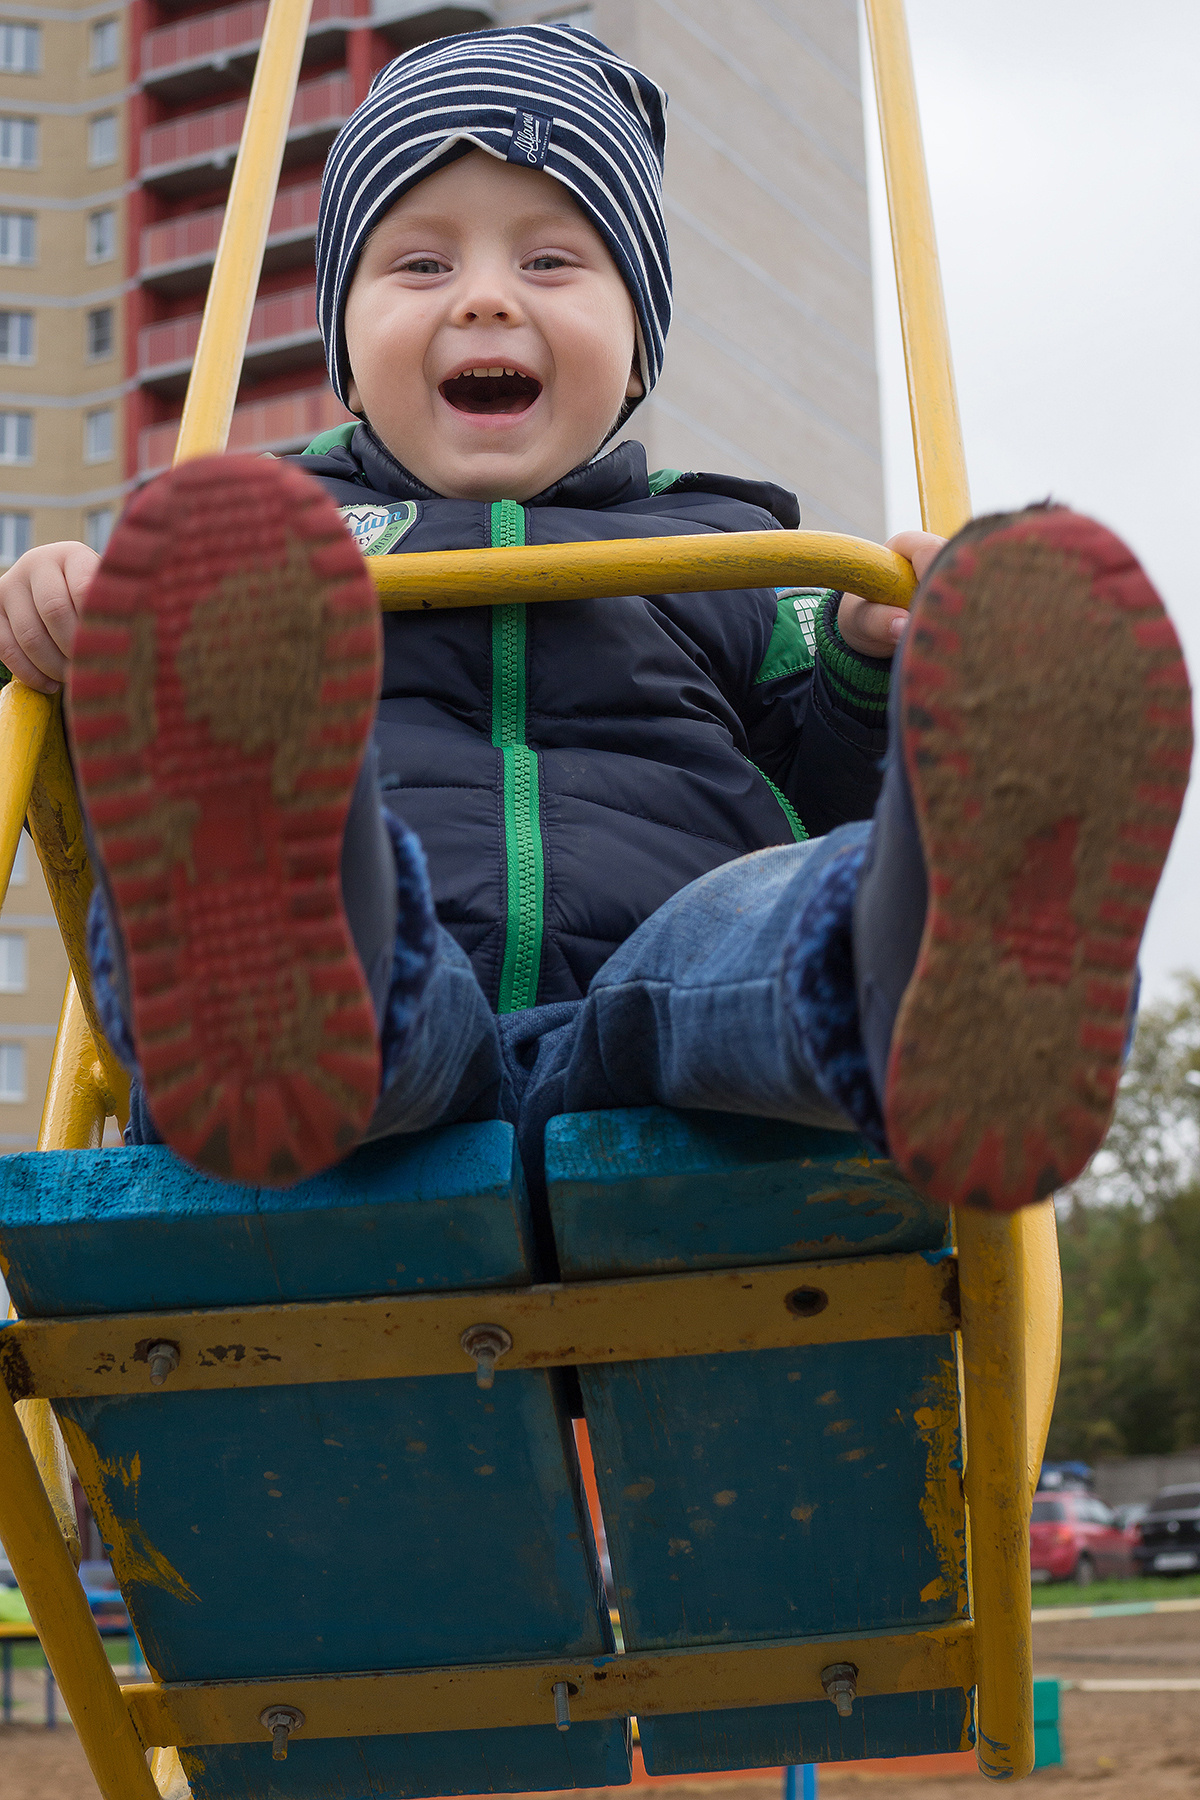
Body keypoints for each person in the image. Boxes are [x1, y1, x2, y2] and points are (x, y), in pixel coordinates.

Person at [0, 25, 1190, 1213]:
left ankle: (931, 965)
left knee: (741, 918)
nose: (483, 299)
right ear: (346, 358)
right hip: (384, 1033)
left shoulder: (729, 553)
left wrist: (871, 676)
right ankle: (249, 953)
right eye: (419, 266)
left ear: (634, 356)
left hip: (655, 1047)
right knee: (364, 946)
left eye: (553, 263)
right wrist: (63, 612)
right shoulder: (264, 548)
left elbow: (825, 784)